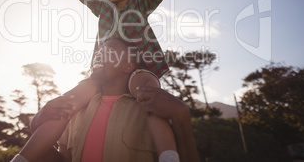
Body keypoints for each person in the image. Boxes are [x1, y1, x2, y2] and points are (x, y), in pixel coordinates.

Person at [14, 0, 216, 161]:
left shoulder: (141, 3)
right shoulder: (103, 8)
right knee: (71, 101)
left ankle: (169, 157)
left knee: (148, 95)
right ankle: (21, 158)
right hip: (103, 73)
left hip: (139, 66)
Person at [12, 38, 200, 162]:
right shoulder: (75, 112)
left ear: (128, 66)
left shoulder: (151, 110)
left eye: (110, 50)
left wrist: (181, 118)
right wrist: (36, 125)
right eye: (100, 50)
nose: (100, 53)